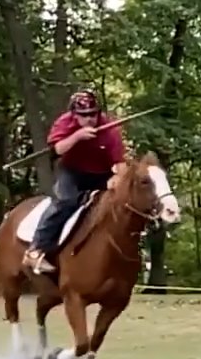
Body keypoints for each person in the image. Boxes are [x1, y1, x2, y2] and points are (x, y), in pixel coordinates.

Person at [26, 89, 127, 275]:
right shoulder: (64, 123)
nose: (89, 119)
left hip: (101, 174)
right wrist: (77, 136)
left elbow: (120, 163)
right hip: (72, 172)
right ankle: (35, 250)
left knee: (122, 201)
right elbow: (57, 149)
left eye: (93, 114)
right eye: (83, 115)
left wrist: (118, 179)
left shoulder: (110, 128)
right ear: (74, 114)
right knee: (65, 201)